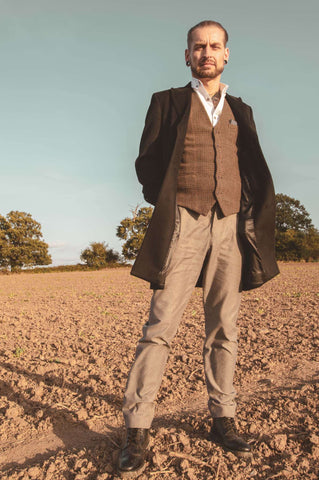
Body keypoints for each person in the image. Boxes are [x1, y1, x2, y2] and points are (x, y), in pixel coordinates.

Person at [117, 20, 279, 475]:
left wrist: (241, 212)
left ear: (226, 55)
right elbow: (147, 162)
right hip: (182, 223)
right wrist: (171, 202)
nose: (206, 53)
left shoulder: (240, 110)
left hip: (228, 225)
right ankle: (136, 428)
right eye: (198, 47)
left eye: (214, 46)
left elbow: (251, 167)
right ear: (186, 55)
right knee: (160, 326)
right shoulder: (166, 102)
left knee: (223, 327)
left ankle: (223, 419)